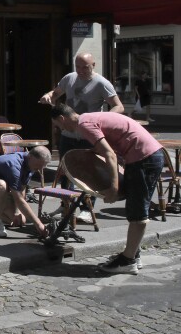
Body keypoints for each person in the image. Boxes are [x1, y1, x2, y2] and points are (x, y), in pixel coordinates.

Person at [50, 103, 164, 274]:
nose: (61, 129)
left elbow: (109, 154)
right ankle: (133, 253)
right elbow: (101, 149)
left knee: (138, 211)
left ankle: (128, 261)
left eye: (58, 125)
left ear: (62, 118)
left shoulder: (84, 125)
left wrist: (113, 188)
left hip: (143, 158)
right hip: (145, 156)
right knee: (135, 209)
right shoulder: (89, 118)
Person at [39, 52, 124, 222]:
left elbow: (118, 107)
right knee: (65, 170)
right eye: (77, 66)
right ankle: (66, 205)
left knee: (88, 172)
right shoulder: (69, 78)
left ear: (93, 65)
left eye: (85, 67)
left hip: (89, 134)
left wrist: (101, 119)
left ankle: (87, 208)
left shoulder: (101, 83)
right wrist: (48, 96)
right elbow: (56, 94)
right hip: (68, 133)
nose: (81, 70)